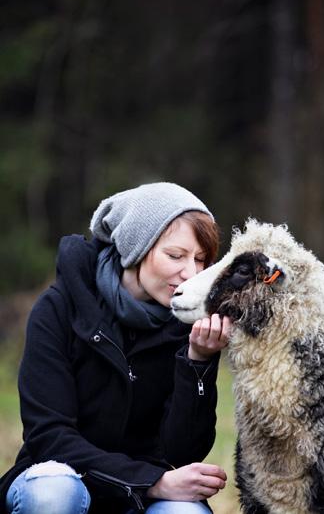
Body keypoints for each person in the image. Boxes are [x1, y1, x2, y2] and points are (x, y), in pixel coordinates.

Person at [0, 182, 231, 514]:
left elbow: (181, 455)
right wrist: (151, 481)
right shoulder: (58, 309)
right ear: (136, 248)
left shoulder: (188, 322)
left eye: (200, 260)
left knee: (186, 512)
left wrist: (199, 361)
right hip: (63, 477)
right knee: (54, 492)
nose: (190, 273)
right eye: (175, 256)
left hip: (144, 495)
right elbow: (49, 438)